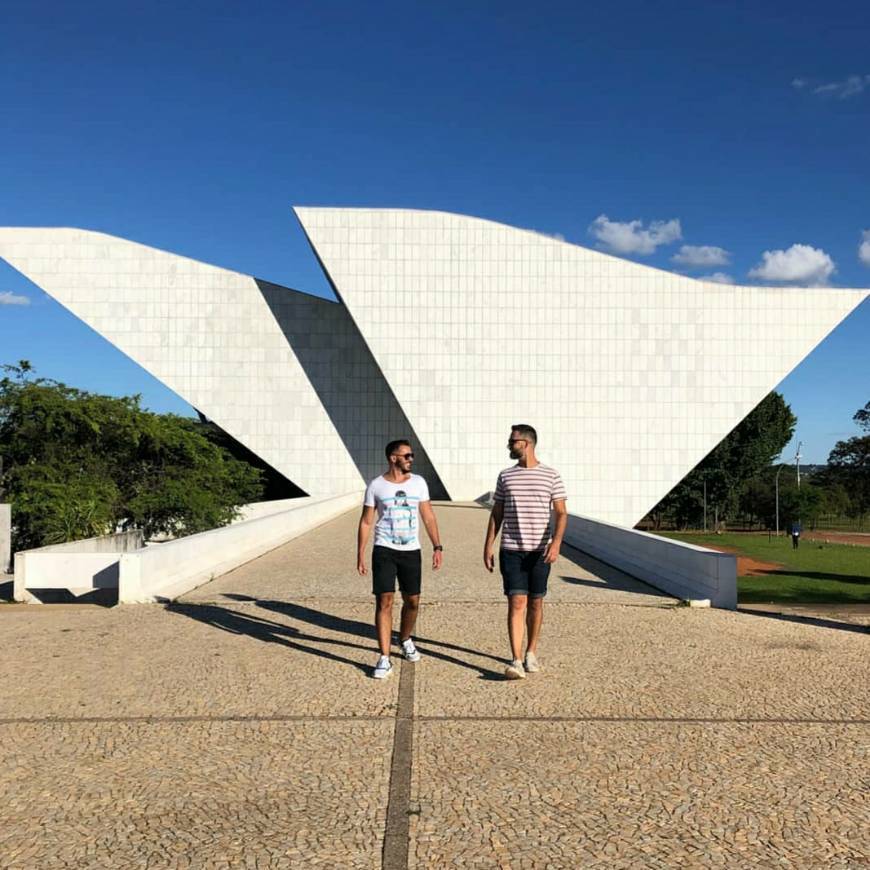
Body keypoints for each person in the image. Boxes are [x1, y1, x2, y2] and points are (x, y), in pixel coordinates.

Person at [483, 425, 567, 680]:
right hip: (511, 549)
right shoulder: (505, 476)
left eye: (512, 441)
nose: (509, 445)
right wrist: (488, 545)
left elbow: (561, 512)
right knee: (516, 601)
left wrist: (556, 543)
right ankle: (516, 659)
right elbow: (497, 512)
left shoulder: (551, 475)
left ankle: (531, 652)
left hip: (540, 551)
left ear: (526, 443)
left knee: (536, 602)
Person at [357, 439, 443, 679]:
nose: (411, 459)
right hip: (384, 549)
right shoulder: (376, 486)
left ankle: (405, 638)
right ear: (393, 458)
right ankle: (384, 657)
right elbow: (366, 521)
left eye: (411, 455)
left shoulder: (418, 483)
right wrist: (360, 553)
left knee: (412, 601)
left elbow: (428, 517)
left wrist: (437, 546)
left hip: (411, 551)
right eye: (407, 456)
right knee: (384, 601)